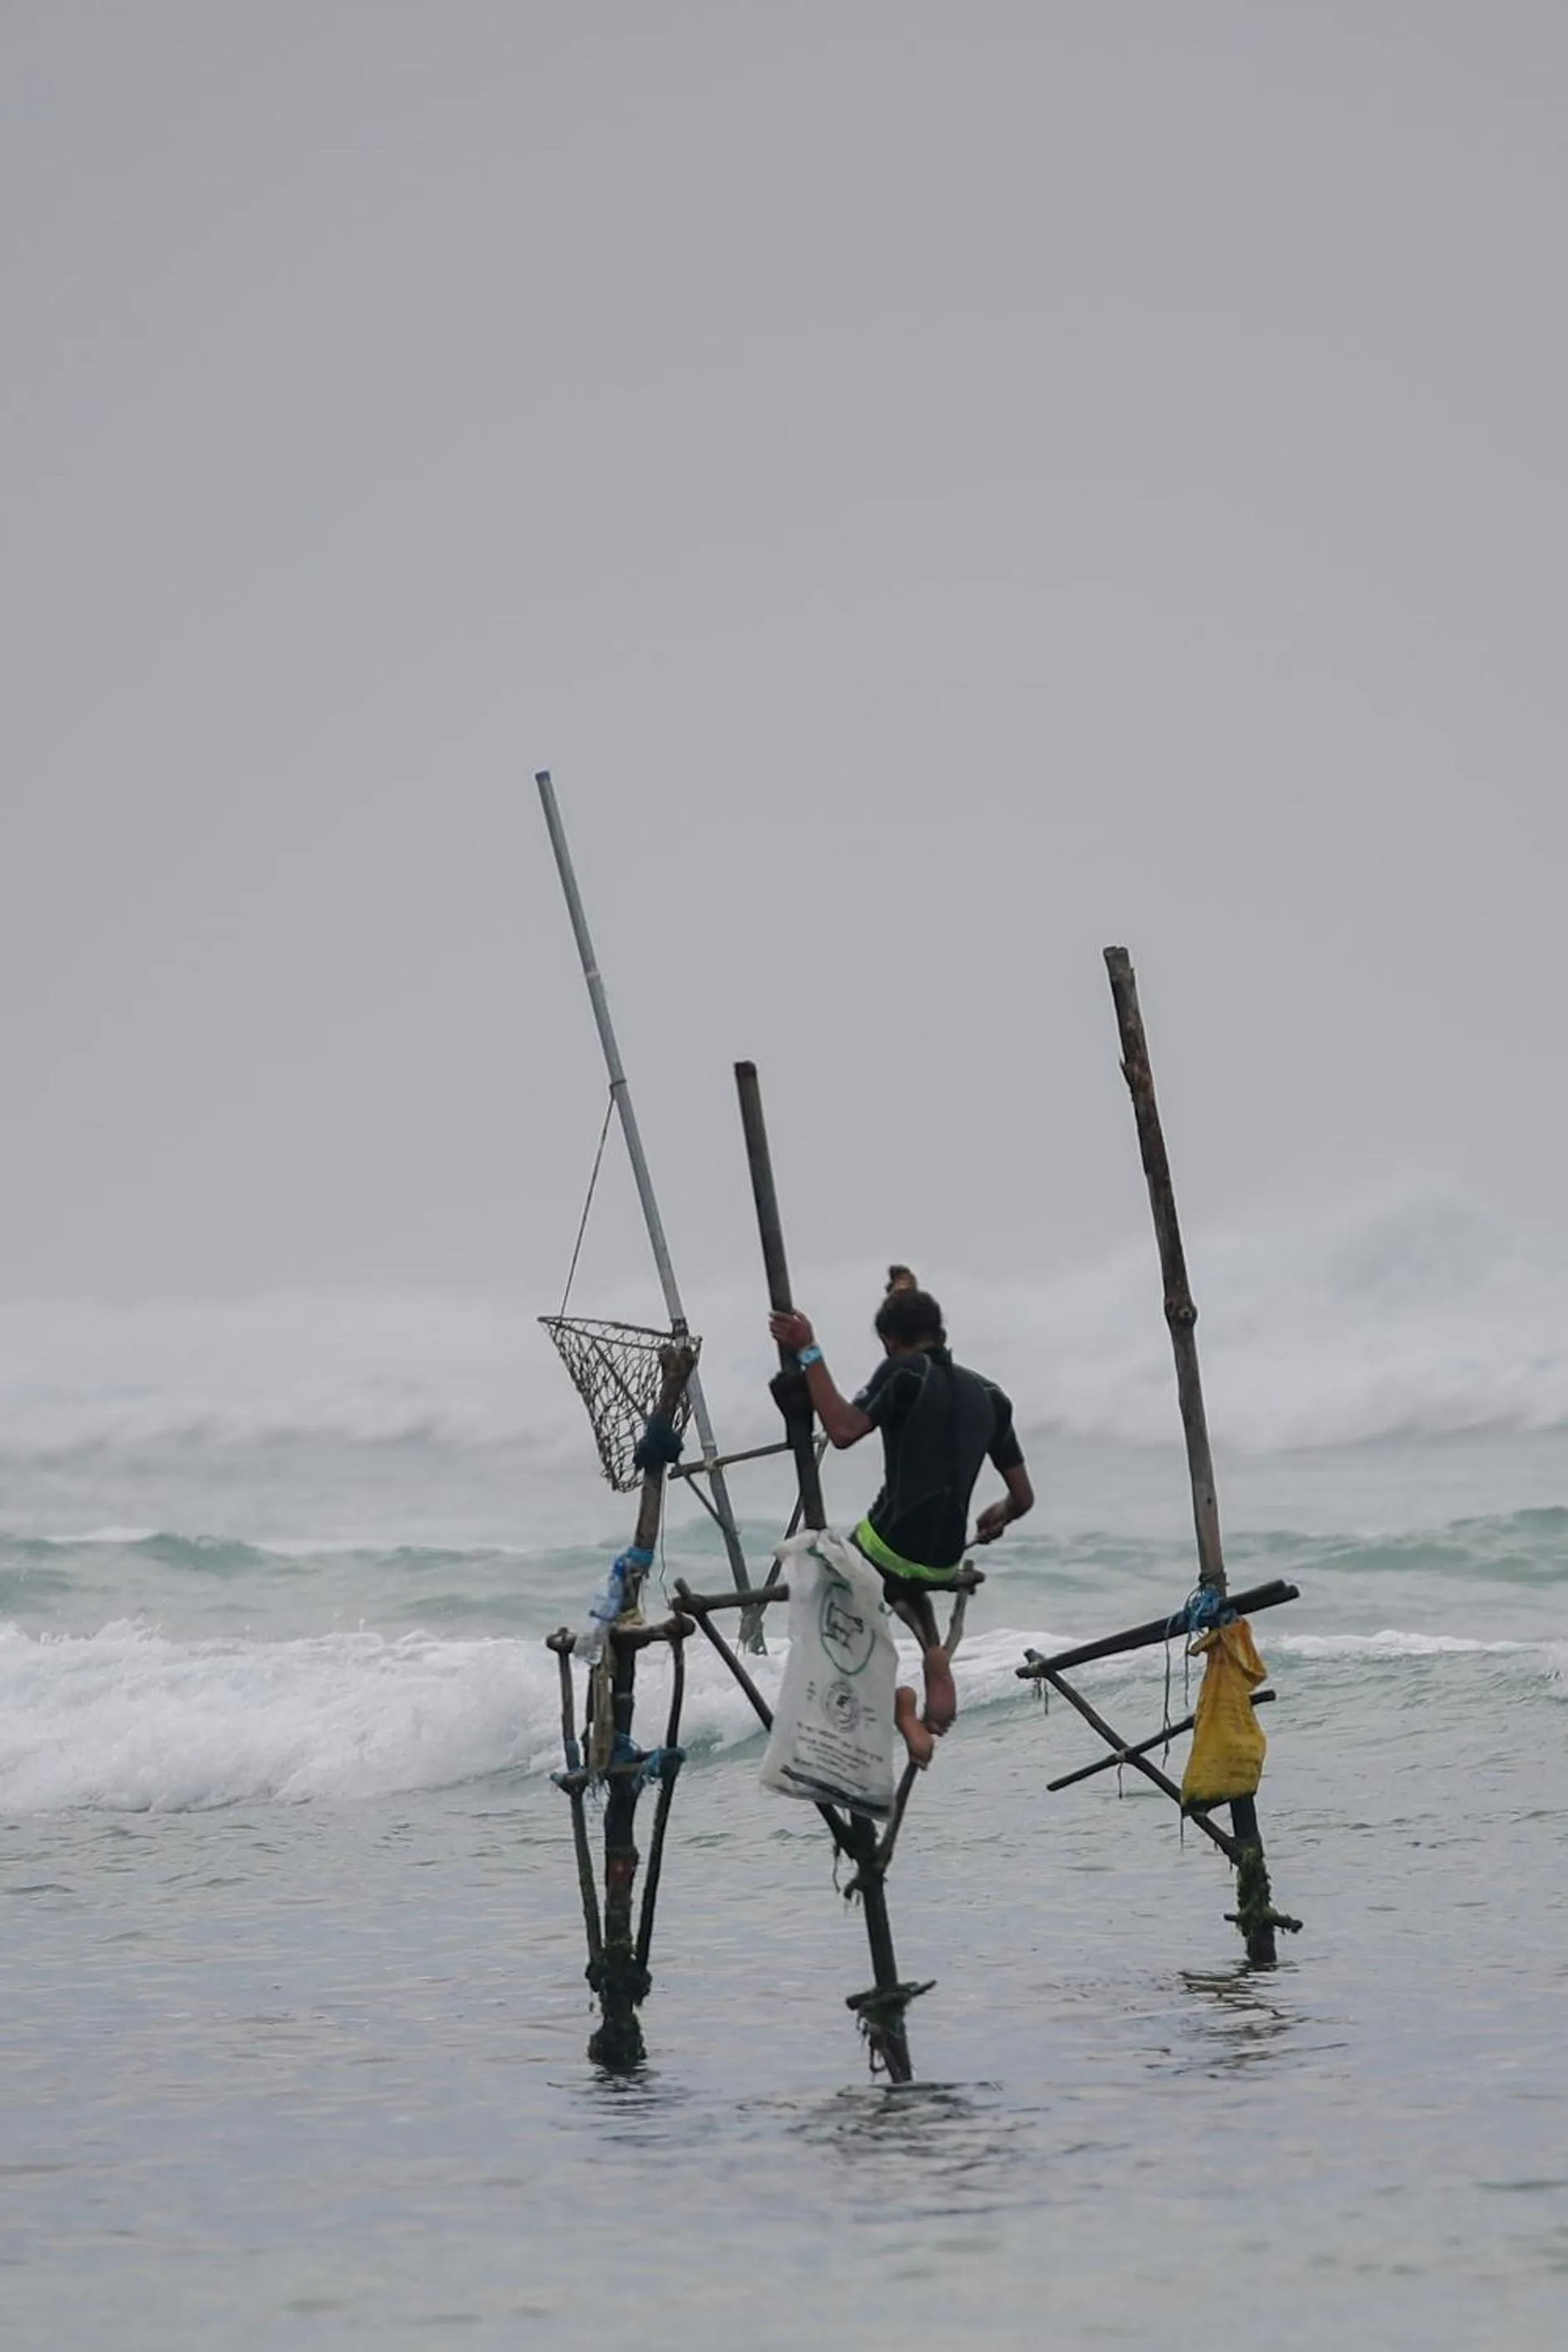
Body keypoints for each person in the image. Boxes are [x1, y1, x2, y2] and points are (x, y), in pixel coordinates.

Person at [769, 1269, 1034, 1768]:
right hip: (942, 1559)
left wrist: (809, 1351)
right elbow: (1022, 1497)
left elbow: (844, 1429)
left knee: (836, 1592)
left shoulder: (903, 1373)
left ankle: (899, 1706)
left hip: (887, 1544)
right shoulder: (992, 1397)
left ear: (889, 1342)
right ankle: (932, 1651)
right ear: (942, 1333)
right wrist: (995, 1516)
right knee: (904, 1579)